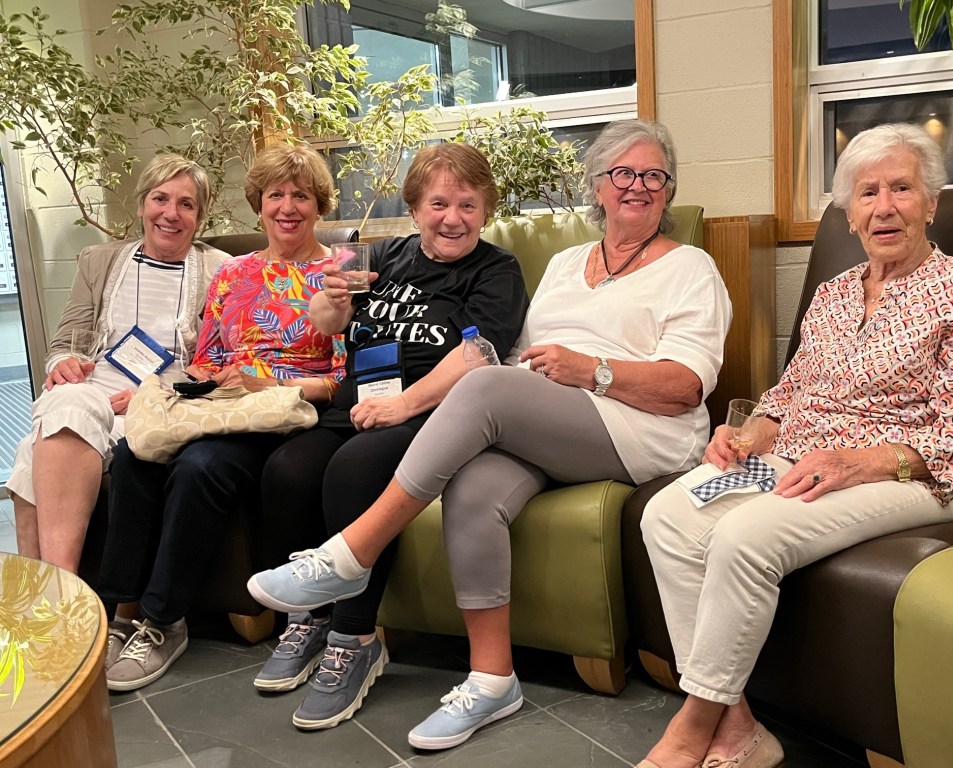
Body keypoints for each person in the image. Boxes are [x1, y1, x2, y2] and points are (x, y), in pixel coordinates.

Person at [248, 119, 733, 747]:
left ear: (668, 190)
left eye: (653, 176)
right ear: (597, 185)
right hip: (552, 420)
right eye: (622, 173)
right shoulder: (565, 264)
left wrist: (592, 369)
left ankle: (349, 555)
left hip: (639, 428)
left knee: (481, 380)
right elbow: (521, 358)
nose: (637, 185)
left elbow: (687, 387)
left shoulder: (691, 267)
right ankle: (492, 679)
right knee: (473, 487)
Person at [632, 122, 953, 768]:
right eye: (867, 193)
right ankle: (738, 725)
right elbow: (792, 391)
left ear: (930, 203)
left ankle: (691, 728)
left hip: (918, 476)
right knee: (668, 515)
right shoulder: (835, 295)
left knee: (744, 537)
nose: (884, 207)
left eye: (901, 189)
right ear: (849, 213)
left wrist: (860, 462)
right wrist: (752, 431)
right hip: (800, 460)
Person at [249, 142, 529, 729]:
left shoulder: (496, 270)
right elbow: (329, 324)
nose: (452, 218)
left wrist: (403, 404)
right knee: (287, 469)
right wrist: (329, 301)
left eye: (468, 205)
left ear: (486, 210)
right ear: (415, 207)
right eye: (438, 204)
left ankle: (355, 640)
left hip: (435, 412)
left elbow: (479, 354)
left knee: (354, 468)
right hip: (357, 402)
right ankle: (310, 623)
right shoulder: (381, 255)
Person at [97, 142, 348, 692]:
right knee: (134, 453)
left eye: (301, 196)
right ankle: (120, 614)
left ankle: (165, 621)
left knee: (200, 466)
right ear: (258, 203)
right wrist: (178, 390)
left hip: (284, 412)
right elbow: (207, 358)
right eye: (275, 195)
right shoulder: (234, 273)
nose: (287, 207)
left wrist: (267, 382)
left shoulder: (336, 275)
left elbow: (340, 379)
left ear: (319, 206)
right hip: (222, 404)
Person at [6, 154, 226, 573]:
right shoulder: (99, 260)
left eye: (186, 204)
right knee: (68, 402)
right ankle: (61, 595)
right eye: (160, 199)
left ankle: (56, 594)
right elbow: (65, 342)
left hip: (162, 404)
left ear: (199, 217)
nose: (171, 213)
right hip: (92, 392)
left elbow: (219, 364)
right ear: (142, 205)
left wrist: (154, 394)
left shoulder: (222, 270)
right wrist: (64, 363)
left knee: (30, 449)